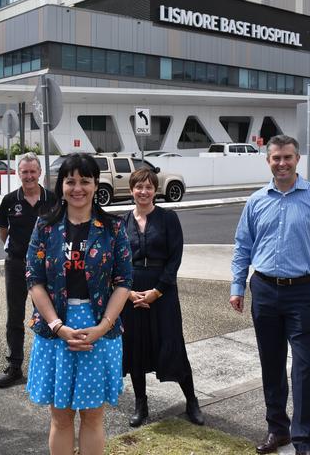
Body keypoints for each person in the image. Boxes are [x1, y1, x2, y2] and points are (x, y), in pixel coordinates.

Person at [230, 135, 310, 455]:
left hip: (303, 293)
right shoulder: (256, 201)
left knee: (305, 367)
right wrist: (237, 286)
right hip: (264, 290)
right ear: (268, 161)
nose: (282, 163)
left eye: (288, 158)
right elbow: (243, 247)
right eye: (276, 158)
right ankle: (277, 430)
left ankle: (304, 439)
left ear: (297, 160)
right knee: (271, 363)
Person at [25, 153, 133, 455]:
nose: (77, 188)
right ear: (61, 185)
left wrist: (102, 327)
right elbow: (34, 279)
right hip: (55, 327)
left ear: (96, 184)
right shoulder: (45, 227)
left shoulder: (112, 228)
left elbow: (124, 281)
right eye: (70, 181)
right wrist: (57, 326)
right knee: (60, 416)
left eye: (84, 181)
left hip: (99, 327)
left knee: (93, 415)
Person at [120, 167, 204, 428]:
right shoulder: (122, 222)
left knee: (172, 345)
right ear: (131, 190)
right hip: (132, 292)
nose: (143, 192)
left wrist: (156, 292)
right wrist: (128, 292)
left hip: (162, 291)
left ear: (155, 190)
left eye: (148, 187)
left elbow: (174, 259)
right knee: (135, 347)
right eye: (138, 187)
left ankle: (191, 400)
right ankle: (141, 404)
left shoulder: (168, 218)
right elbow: (117, 261)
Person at [0, 153, 56, 388]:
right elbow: (3, 231)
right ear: (18, 174)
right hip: (17, 263)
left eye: (32, 171)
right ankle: (15, 366)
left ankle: (50, 365)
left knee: (50, 313)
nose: (29, 176)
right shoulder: (10, 200)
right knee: (15, 316)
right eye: (24, 172)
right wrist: (20, 251)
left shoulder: (53, 199)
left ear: (39, 173)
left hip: (48, 267)